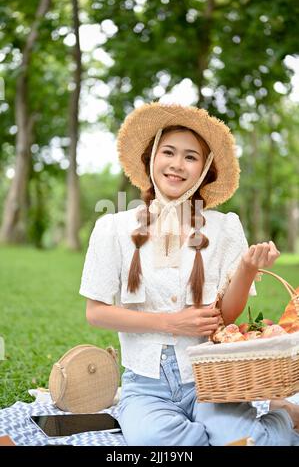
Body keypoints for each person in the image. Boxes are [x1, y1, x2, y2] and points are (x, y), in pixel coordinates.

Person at [79, 103, 299, 446]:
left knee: (260, 443)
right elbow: (95, 313)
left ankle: (282, 415)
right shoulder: (113, 228)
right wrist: (172, 323)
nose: (177, 164)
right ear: (151, 159)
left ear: (205, 169)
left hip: (210, 380)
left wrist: (247, 267)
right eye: (168, 152)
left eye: (190, 157)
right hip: (145, 385)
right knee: (160, 443)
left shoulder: (224, 228)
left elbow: (226, 316)